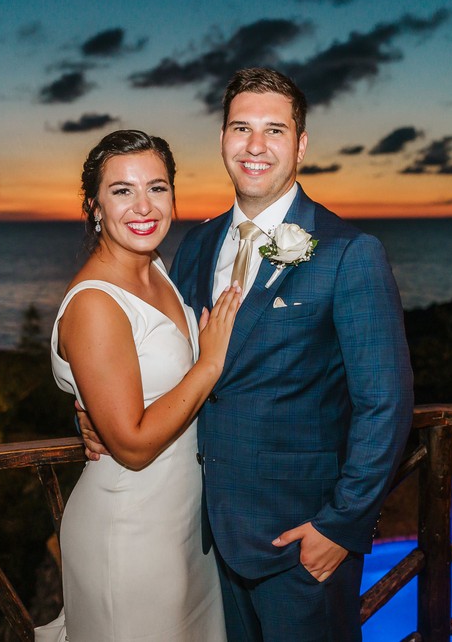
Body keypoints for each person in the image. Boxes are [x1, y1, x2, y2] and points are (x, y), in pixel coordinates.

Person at [83, 68, 414, 641]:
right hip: (202, 535)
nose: (255, 146)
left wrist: (340, 525)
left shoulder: (349, 253)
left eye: (274, 130)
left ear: (301, 144)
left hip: (300, 543)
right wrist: (96, 409)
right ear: (222, 139)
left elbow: (385, 402)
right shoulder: (196, 245)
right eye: (241, 128)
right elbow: (162, 354)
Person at [35, 130, 240, 642]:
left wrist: (93, 411)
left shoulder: (156, 271)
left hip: (184, 525)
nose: (143, 206)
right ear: (94, 206)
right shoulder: (95, 304)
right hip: (129, 530)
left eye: (157, 187)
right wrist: (208, 364)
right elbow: (131, 443)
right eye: (122, 190)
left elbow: (134, 386)